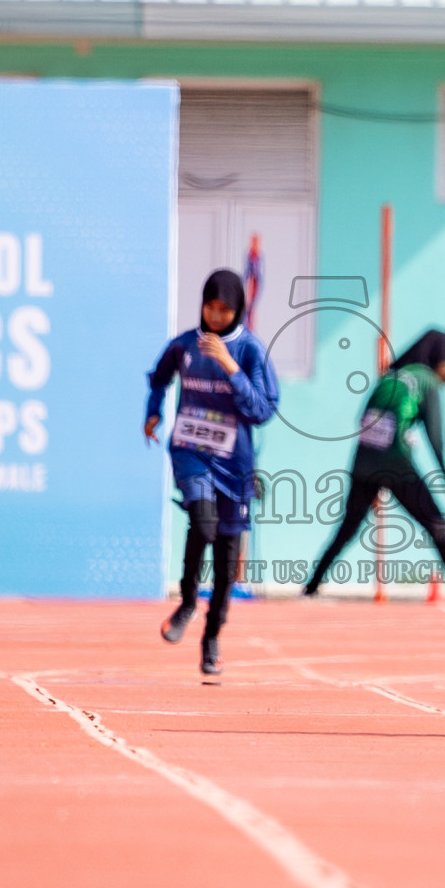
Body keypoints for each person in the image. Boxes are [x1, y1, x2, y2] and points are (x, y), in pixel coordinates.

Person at [145, 269, 279, 676]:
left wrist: (230, 367)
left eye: (225, 309)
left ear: (238, 310)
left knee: (226, 556)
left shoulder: (251, 351)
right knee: (202, 526)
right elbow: (159, 377)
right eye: (210, 307)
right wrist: (152, 411)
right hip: (191, 451)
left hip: (233, 464)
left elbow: (262, 410)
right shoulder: (185, 345)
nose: (217, 316)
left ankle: (212, 636)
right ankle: (186, 602)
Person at [303, 331, 445, 597]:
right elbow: (436, 438)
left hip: (363, 461)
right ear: (441, 359)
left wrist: (372, 472)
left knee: (347, 528)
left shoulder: (391, 377)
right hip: (395, 463)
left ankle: (310, 587)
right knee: (437, 524)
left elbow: (363, 418)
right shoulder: (425, 380)